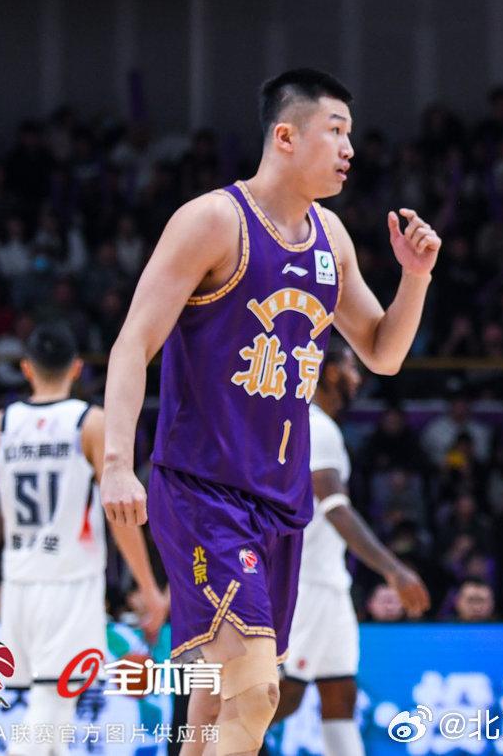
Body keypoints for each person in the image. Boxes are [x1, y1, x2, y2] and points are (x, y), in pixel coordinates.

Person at [100, 68, 440, 755]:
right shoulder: (212, 221)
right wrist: (115, 460)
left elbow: (382, 352)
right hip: (203, 492)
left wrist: (415, 277)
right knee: (257, 692)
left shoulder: (331, 237)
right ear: (285, 136)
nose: (349, 148)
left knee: (214, 704)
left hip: (280, 503)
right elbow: (133, 342)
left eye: (350, 133)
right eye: (335, 131)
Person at [0, 323, 167, 752]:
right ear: (77, 368)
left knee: (56, 709)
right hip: (70, 584)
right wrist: (149, 589)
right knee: (52, 704)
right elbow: (119, 515)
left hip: (19, 586)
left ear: (26, 368)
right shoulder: (90, 423)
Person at [268, 335, 431, 755]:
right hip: (306, 580)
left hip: (329, 579)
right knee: (285, 695)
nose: (358, 377)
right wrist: (394, 569)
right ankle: (206, 742)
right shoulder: (316, 425)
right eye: (352, 367)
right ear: (330, 371)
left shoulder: (312, 423)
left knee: (340, 692)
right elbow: (335, 508)